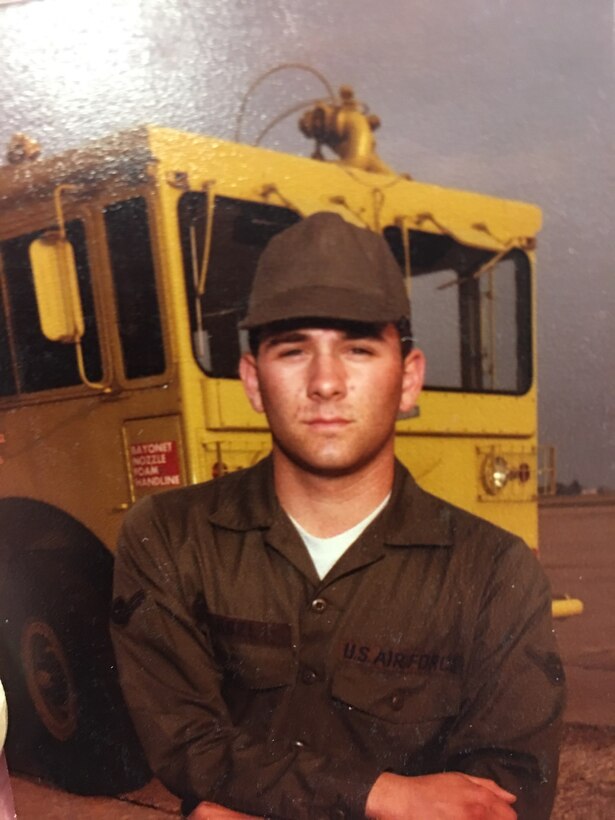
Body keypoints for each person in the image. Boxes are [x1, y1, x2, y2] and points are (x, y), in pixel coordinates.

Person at [111, 212, 565, 820]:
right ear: (253, 380)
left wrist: (241, 801)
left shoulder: (494, 571)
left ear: (408, 380)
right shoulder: (169, 536)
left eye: (357, 349)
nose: (326, 382)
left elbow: (500, 802)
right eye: (294, 350)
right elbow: (184, 744)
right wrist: (387, 795)